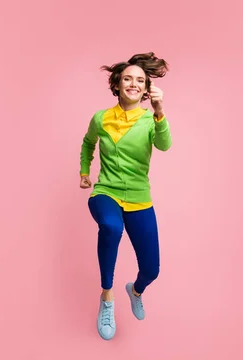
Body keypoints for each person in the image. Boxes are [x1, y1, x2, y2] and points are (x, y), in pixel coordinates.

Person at [79, 52, 172, 340]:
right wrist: (84, 171)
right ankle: (107, 297)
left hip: (139, 198)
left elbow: (164, 145)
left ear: (146, 90)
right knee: (110, 227)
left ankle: (135, 290)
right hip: (106, 191)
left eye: (140, 80)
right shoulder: (101, 118)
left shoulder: (149, 119)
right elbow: (87, 143)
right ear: (117, 84)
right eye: (128, 78)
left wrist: (159, 112)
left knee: (152, 270)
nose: (134, 83)